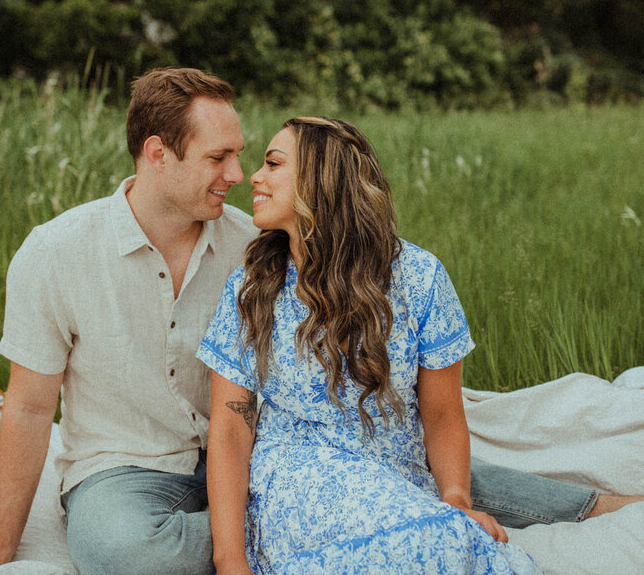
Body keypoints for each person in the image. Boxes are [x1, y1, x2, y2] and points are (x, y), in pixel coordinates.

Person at [0, 68, 644, 573]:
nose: (239, 172)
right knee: (119, 550)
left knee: (421, 469)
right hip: (140, 463)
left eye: (249, 155)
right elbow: (32, 406)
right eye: (218, 158)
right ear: (156, 154)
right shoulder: (57, 251)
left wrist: (420, 474)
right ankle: (307, 522)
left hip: (291, 451)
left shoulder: (261, 241)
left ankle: (641, 500)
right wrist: (4, 542)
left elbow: (356, 268)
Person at [198, 116, 542, 572]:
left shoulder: (419, 278)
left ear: (321, 179)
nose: (254, 177)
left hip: (397, 480)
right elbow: (229, 429)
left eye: (273, 164)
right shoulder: (253, 287)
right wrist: (230, 561)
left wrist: (455, 498)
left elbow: (441, 414)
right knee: (453, 547)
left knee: (455, 538)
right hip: (296, 484)